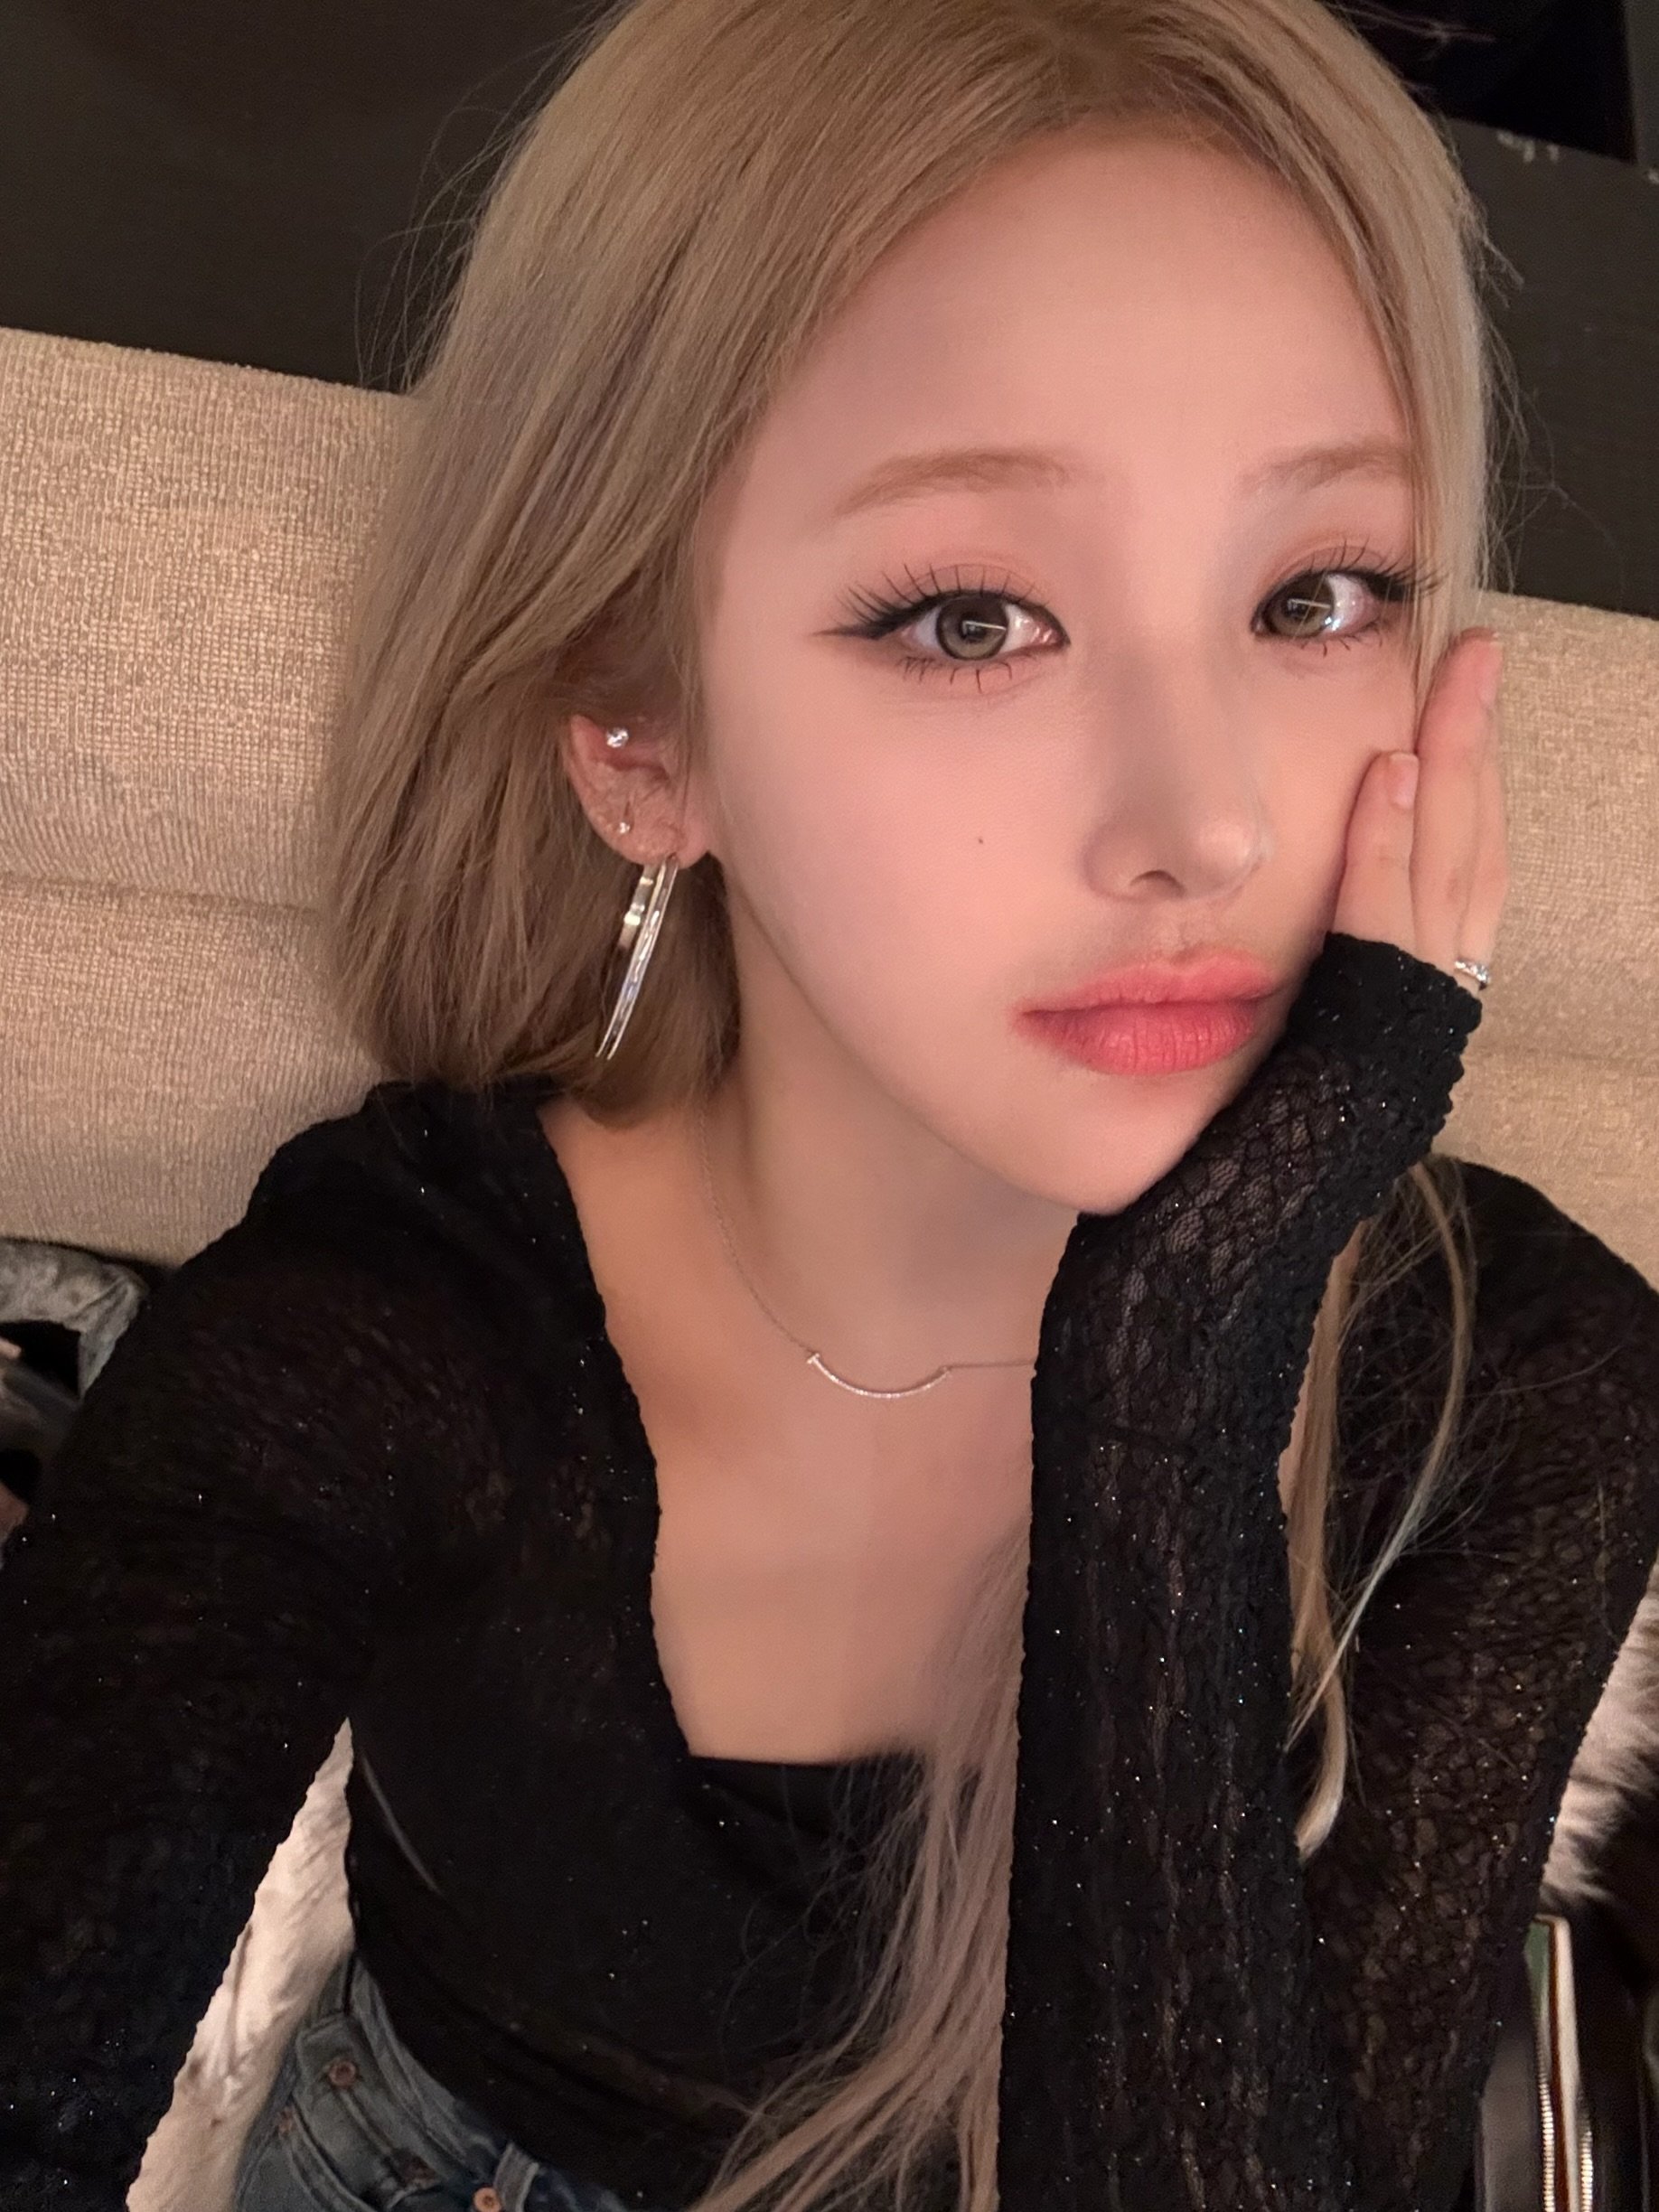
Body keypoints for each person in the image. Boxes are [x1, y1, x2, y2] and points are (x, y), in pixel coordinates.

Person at [3, 0, 1657, 2207]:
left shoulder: (1519, 1389)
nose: (1209, 827)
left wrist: (1174, 1377)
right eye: (970, 618)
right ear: (641, 739)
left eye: (1313, 595)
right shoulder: (389, 1337)